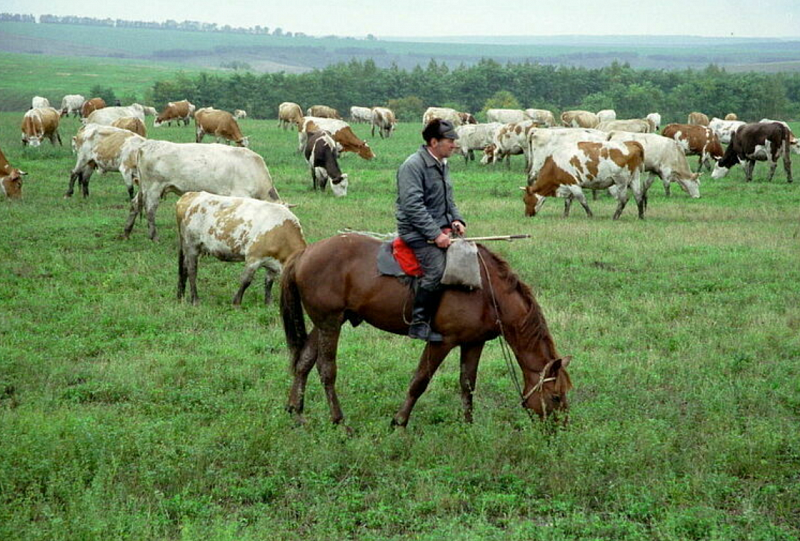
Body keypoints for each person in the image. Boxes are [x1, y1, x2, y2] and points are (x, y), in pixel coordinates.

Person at [396, 118, 467, 342]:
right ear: (434, 142)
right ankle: (419, 323)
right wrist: (435, 235)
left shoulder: (442, 164)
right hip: (416, 232)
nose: (454, 145)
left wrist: (456, 219)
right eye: (450, 140)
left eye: (454, 140)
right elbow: (412, 206)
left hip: (440, 227)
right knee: (436, 271)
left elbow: (448, 200)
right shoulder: (413, 165)